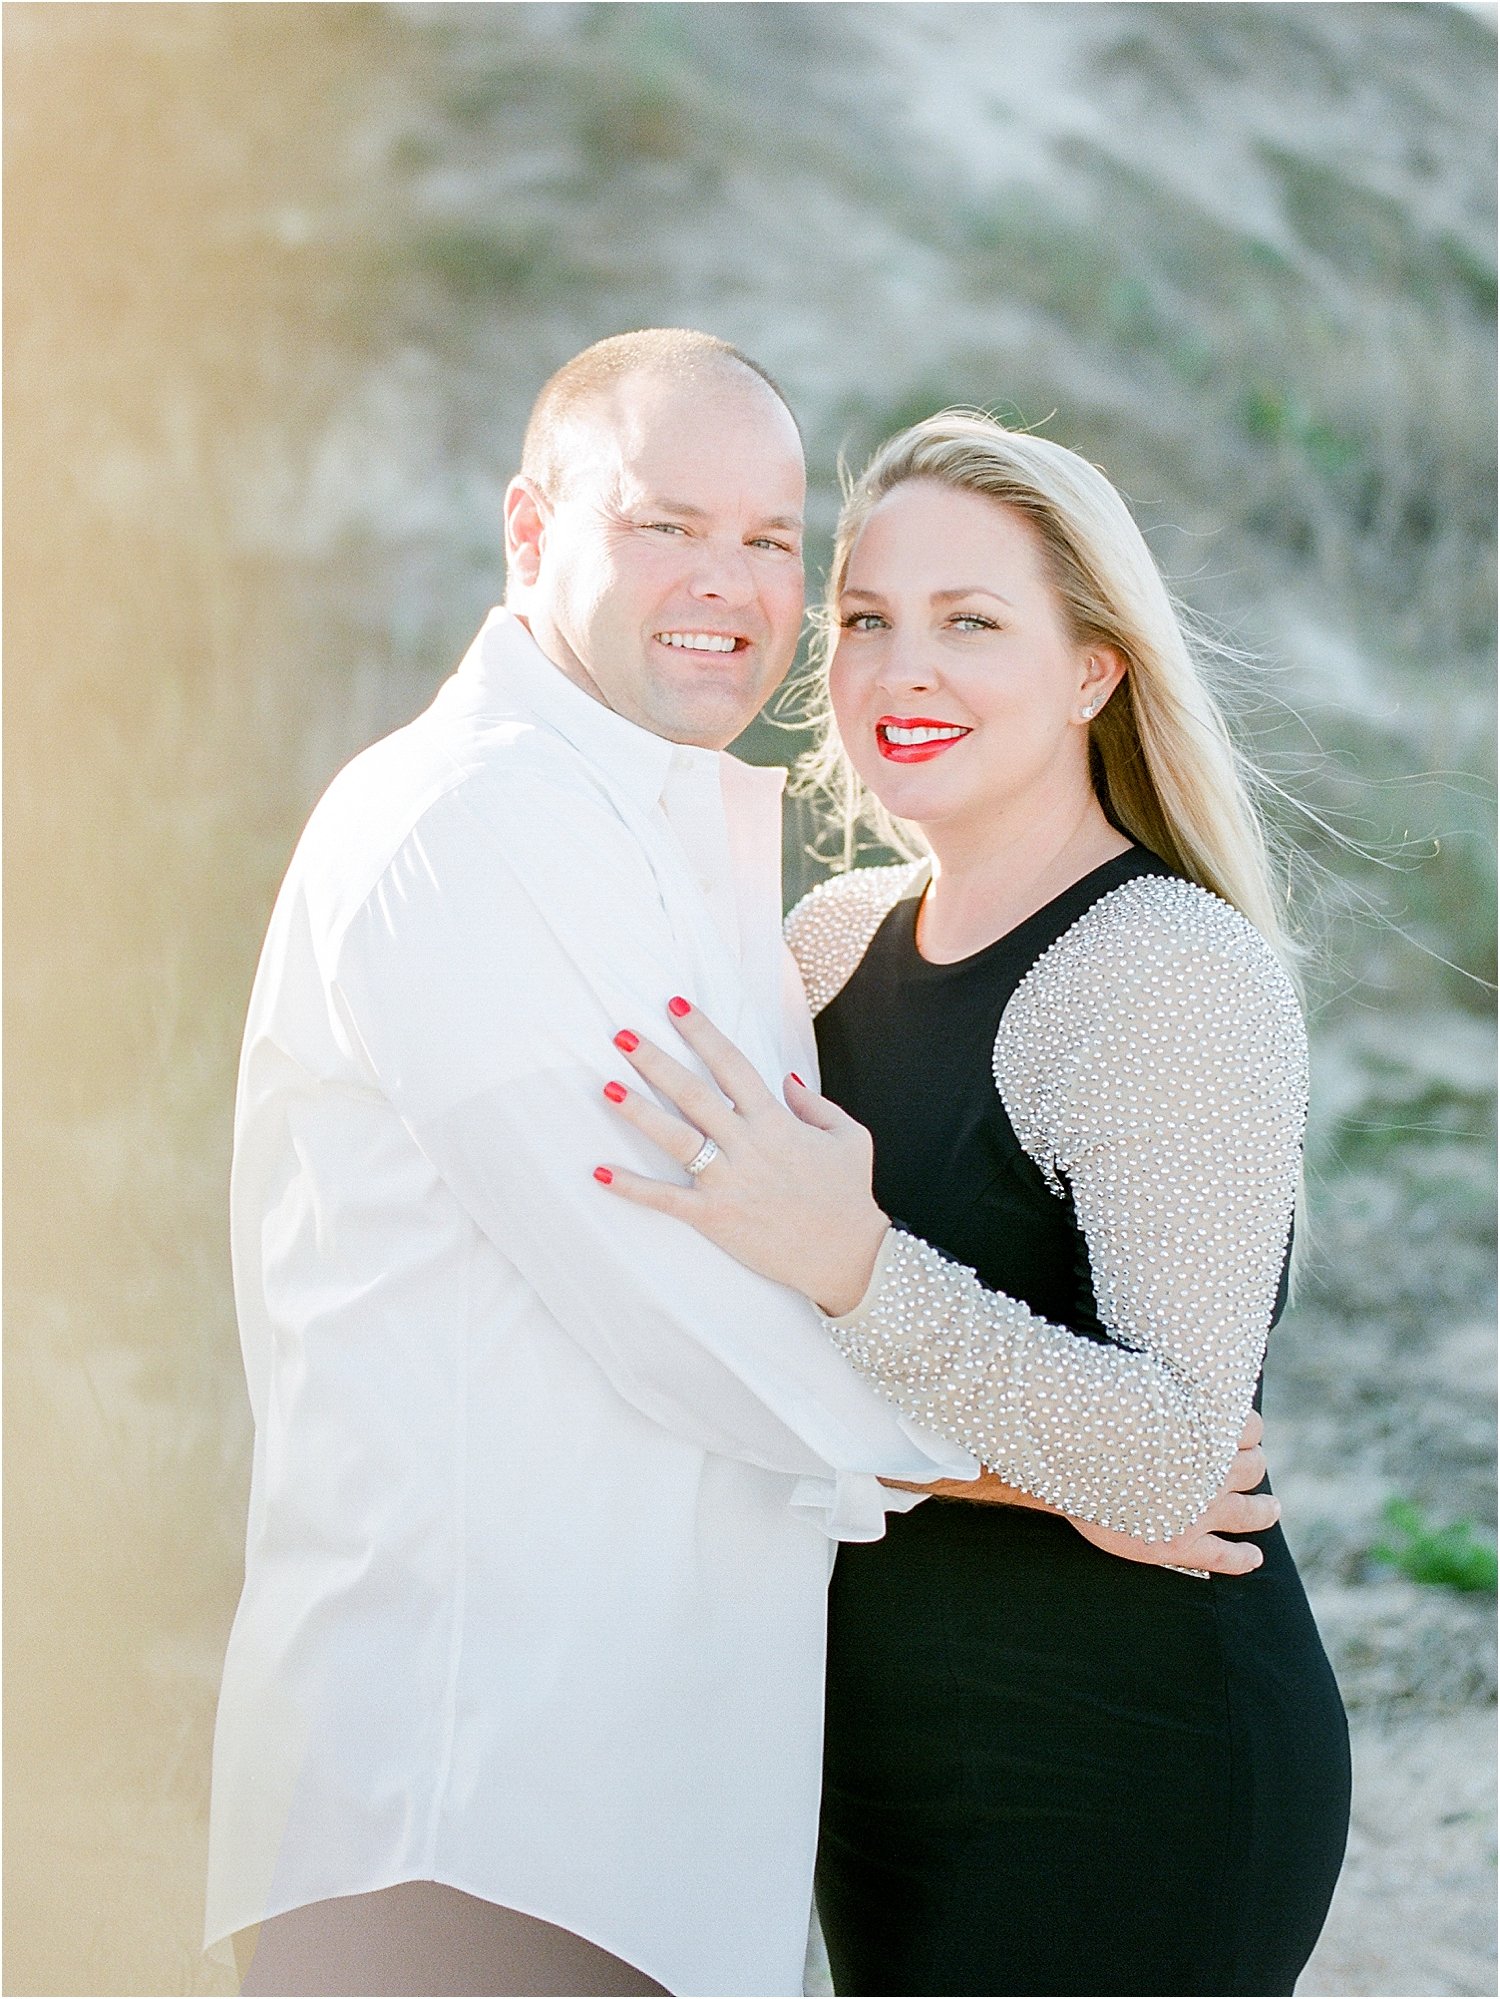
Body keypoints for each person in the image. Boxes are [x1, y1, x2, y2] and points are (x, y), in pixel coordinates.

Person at [208, 334, 1277, 1999]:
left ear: (1095, 668)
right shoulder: (489, 839)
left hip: (997, 1776)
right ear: (528, 529)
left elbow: (845, 1299)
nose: (735, 586)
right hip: (477, 1795)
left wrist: (1115, 1442)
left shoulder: (733, 870)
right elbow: (687, 1323)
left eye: (775, 543)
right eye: (665, 525)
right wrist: (1080, 1461)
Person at [598, 411, 1352, 1997]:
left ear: (1094, 669)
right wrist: (1001, 1465)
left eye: (972, 623)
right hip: (882, 1776)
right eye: (867, 621)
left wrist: (855, 1268)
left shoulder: (1168, 973)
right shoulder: (827, 940)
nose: (899, 670)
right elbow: (737, 1356)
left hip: (1133, 1767)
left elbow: (1166, 1455)